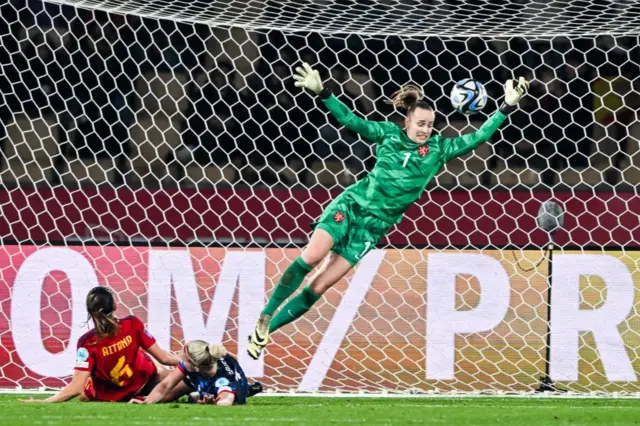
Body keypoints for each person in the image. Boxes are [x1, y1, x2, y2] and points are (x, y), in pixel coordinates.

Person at [247, 63, 530, 359]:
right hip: (352, 206)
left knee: (318, 287)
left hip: (373, 229)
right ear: (407, 121)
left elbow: (479, 137)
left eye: (430, 125)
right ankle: (266, 315)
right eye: (420, 124)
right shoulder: (387, 135)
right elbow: (351, 121)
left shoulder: (439, 149)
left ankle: (265, 332)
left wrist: (506, 106)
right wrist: (323, 92)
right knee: (312, 256)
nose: (425, 130)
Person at [21, 286, 179, 403]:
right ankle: (195, 389)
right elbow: (165, 357)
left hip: (112, 396)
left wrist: (43, 402)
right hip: (144, 381)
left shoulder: (86, 343)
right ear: (115, 306)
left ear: (89, 312)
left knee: (85, 394)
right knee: (162, 371)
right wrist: (187, 361)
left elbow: (75, 388)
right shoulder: (133, 324)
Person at [133, 340, 262, 405]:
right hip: (201, 378)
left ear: (196, 367)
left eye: (182, 357)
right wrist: (147, 402)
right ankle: (198, 393)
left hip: (226, 387)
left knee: (195, 398)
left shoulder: (222, 382)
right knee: (165, 396)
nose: (179, 358)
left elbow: (226, 401)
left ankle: (248, 389)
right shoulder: (203, 357)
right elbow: (165, 385)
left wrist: (216, 403)